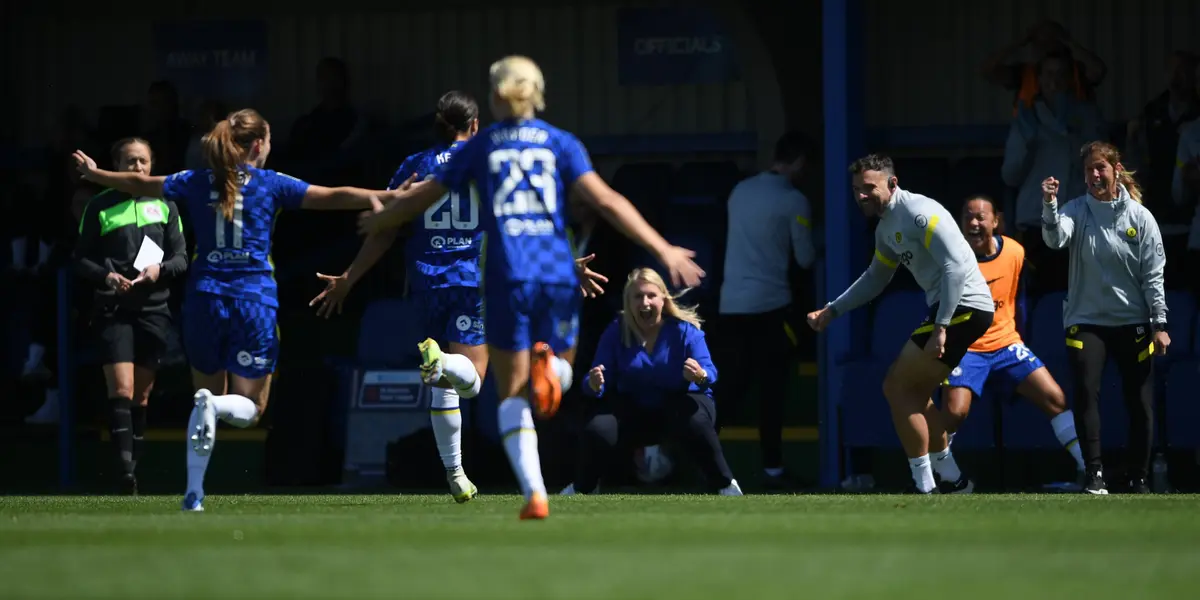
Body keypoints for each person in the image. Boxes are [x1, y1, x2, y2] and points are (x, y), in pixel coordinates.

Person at [356, 55, 705, 519]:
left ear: (497, 97)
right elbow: (606, 200)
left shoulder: (481, 148)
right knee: (561, 368)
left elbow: (427, 193)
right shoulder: (561, 143)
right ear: (537, 92)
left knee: (510, 393)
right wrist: (662, 249)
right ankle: (554, 374)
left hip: (504, 274)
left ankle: (535, 493)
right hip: (554, 266)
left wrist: (387, 215)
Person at [72, 108, 388, 511]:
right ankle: (216, 408)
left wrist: (98, 175)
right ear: (259, 145)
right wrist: (386, 197)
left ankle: (195, 491)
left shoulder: (195, 180)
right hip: (252, 301)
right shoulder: (270, 184)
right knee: (250, 408)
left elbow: (139, 182)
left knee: (203, 395)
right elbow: (332, 195)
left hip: (203, 299)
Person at [806, 154, 995, 494]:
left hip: (963, 306)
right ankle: (953, 480)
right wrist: (832, 310)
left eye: (869, 188)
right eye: (856, 189)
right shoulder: (886, 228)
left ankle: (926, 487)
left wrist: (941, 326)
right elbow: (875, 278)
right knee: (915, 393)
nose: (862, 195)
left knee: (895, 386)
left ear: (892, 184)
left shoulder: (919, 213)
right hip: (955, 309)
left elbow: (954, 267)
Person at [1041, 141, 1170, 495]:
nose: (1095, 175)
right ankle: (1094, 474)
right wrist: (1050, 206)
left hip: (1133, 322)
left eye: (1101, 168)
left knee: (1140, 401)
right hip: (1086, 320)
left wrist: (1159, 324)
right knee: (1085, 393)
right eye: (1089, 170)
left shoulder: (1140, 218)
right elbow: (1055, 239)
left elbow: (1154, 274)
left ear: (1116, 170)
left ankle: (1139, 478)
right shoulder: (1076, 210)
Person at [74, 137, 188, 494]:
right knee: (121, 389)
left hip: (153, 308)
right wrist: (106, 276)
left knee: (141, 396)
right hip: (113, 307)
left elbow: (182, 258)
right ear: (115, 167)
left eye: (142, 162)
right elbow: (80, 258)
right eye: (129, 162)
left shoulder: (166, 204)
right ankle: (125, 473)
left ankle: (135, 473)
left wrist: (159, 270)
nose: (137, 168)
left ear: (151, 166)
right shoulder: (100, 206)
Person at [562, 268, 740, 496]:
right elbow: (593, 381)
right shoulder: (616, 331)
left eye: (651, 295)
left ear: (663, 299)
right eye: (637, 296)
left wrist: (699, 375)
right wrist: (595, 383)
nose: (644, 302)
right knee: (599, 427)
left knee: (695, 420)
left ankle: (725, 485)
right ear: (628, 302)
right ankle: (583, 488)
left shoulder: (685, 331)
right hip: (634, 408)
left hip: (678, 405)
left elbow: (710, 374)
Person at [944, 195, 1085, 480]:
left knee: (1055, 399)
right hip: (966, 349)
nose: (973, 223)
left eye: (981, 217)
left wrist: (1015, 336)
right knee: (954, 413)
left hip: (1007, 344)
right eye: (967, 217)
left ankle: (1090, 470)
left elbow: (1017, 300)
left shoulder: (1015, 253)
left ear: (997, 221)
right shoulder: (949, 260)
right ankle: (941, 476)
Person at [713, 131, 816, 488]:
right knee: (772, 391)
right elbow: (805, 258)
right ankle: (773, 469)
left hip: (730, 306)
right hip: (771, 308)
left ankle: (706, 464)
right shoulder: (794, 201)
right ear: (800, 163)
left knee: (729, 390)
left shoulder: (740, 191)